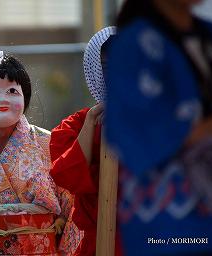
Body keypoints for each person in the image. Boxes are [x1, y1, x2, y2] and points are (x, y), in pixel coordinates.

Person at [105, 0, 212, 255]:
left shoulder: (210, 35)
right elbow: (130, 134)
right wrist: (209, 129)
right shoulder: (133, 43)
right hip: (167, 221)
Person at [0, 52, 81, 255]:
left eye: (12, 91)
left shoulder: (49, 143)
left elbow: (73, 207)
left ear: (25, 96)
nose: (2, 99)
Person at [50, 27, 123, 256]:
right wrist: (92, 121)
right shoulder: (77, 124)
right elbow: (67, 175)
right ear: (95, 70)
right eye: (109, 67)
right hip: (99, 240)